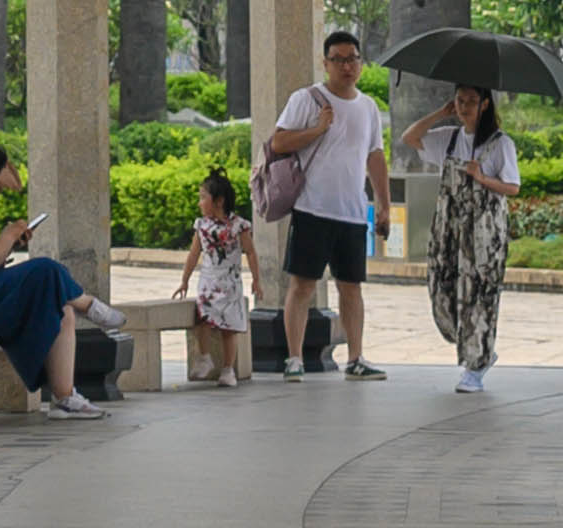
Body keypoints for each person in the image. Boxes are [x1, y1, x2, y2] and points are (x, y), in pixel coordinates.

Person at [0, 137, 108, 418]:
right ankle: (87, 304)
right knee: (44, 269)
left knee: (62, 309)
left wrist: (9, 243)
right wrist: (9, 235)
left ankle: (64, 396)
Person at [264, 27, 394, 380]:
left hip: (352, 212)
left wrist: (383, 205)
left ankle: (356, 358)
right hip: (312, 209)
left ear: (361, 64)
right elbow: (279, 142)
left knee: (351, 287)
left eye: (352, 59)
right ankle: (294, 359)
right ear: (326, 63)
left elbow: (375, 156)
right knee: (303, 285)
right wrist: (318, 129)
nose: (346, 67)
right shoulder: (307, 99)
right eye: (338, 60)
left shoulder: (368, 107)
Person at [409, 78, 519, 390]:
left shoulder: (500, 143)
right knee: (443, 289)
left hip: (484, 234)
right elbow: (411, 137)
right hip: (450, 230)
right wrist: (438, 114)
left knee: (478, 295)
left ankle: (476, 366)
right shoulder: (450, 137)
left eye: (471, 100)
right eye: (459, 100)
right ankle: (476, 347)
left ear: (485, 104)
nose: (464, 107)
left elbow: (512, 186)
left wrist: (481, 177)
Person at [180, 168, 260, 387]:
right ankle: (204, 357)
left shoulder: (239, 225)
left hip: (230, 283)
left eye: (203, 197)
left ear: (219, 201)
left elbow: (250, 252)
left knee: (229, 328)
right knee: (202, 318)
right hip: (208, 281)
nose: (199, 203)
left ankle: (228, 369)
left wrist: (256, 279)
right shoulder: (201, 225)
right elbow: (194, 254)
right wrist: (185, 280)